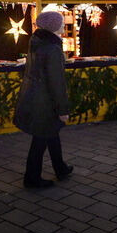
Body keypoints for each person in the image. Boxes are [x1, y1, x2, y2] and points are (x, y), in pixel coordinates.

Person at [13, 10, 73, 188]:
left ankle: (60, 168)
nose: (63, 25)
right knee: (41, 139)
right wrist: (63, 109)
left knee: (51, 134)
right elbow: (56, 82)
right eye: (60, 23)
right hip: (44, 103)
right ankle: (31, 178)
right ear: (53, 27)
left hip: (36, 98)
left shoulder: (37, 42)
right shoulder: (52, 48)